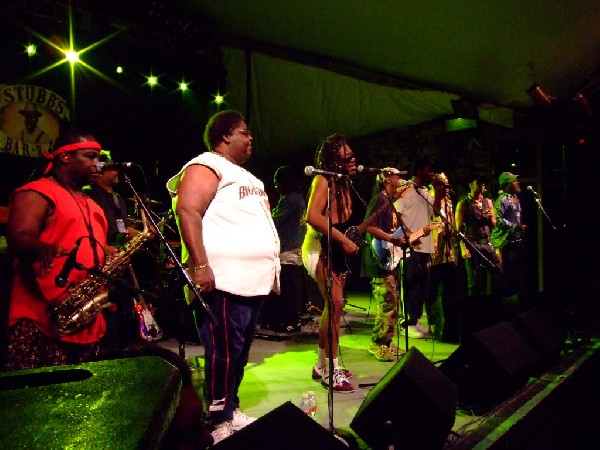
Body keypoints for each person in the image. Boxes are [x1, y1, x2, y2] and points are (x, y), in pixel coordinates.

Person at [166, 110, 280, 444]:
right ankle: (216, 419)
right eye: (245, 132)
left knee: (240, 352)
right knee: (223, 351)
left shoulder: (245, 176)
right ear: (225, 135)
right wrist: (200, 265)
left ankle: (230, 407)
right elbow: (187, 210)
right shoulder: (205, 164)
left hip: (252, 281)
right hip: (225, 281)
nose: (250, 139)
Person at [5, 129, 107, 371]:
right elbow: (18, 238)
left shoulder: (93, 205)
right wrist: (42, 248)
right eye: (90, 156)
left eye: (98, 157)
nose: (98, 164)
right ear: (65, 157)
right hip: (40, 320)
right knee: (33, 401)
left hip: (85, 320)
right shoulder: (36, 192)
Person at [302, 133, 357, 393]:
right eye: (347, 155)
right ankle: (332, 371)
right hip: (317, 246)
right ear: (335, 159)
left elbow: (343, 217)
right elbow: (312, 216)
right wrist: (343, 241)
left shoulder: (344, 183)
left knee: (332, 308)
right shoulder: (323, 179)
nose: (353, 158)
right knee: (334, 304)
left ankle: (321, 364)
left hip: (334, 247)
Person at [84, 150, 140, 353]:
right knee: (105, 314)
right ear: (98, 173)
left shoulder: (119, 200)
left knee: (119, 311)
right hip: (98, 262)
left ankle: (120, 349)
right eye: (111, 168)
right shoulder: (88, 195)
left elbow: (121, 228)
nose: (116, 171)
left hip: (117, 262)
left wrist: (141, 234)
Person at [361, 168, 407, 361]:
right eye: (398, 176)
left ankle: (387, 341)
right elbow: (368, 226)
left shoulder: (391, 203)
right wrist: (391, 238)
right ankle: (377, 343)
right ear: (388, 179)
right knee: (387, 302)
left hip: (390, 258)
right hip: (380, 258)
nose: (401, 179)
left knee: (393, 303)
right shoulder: (379, 200)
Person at [394, 158, 440, 338]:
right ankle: (406, 322)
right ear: (419, 170)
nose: (431, 174)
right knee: (410, 283)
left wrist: (439, 193)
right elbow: (396, 213)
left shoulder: (426, 191)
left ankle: (416, 319)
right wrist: (408, 234)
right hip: (410, 244)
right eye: (429, 170)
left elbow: (435, 213)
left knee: (422, 285)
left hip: (426, 246)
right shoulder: (406, 190)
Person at [261, 166, 306, 333]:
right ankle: (292, 320)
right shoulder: (300, 199)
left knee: (283, 288)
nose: (276, 186)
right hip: (297, 249)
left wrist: (263, 214)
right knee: (292, 288)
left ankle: (282, 321)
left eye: (277, 182)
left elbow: (273, 221)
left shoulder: (289, 200)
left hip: (285, 250)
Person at [455, 174, 503, 296]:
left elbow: (494, 224)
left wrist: (490, 217)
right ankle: (475, 308)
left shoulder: (488, 202)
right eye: (479, 182)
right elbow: (458, 229)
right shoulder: (463, 204)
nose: (482, 185)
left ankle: (499, 303)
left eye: (483, 183)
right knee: (474, 280)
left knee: (498, 272)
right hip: (472, 243)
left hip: (486, 242)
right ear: (471, 185)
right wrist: (463, 247)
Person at [428, 172, 459, 341]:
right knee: (432, 285)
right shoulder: (431, 199)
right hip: (435, 249)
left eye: (447, 185)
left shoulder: (449, 202)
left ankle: (448, 320)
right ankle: (433, 320)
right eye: (442, 184)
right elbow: (431, 216)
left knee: (450, 285)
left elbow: (451, 221)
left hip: (448, 249)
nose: (446, 188)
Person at [491, 172, 527, 297]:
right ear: (507, 184)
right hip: (507, 242)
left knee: (519, 273)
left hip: (517, 240)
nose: (517, 183)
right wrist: (514, 226)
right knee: (508, 272)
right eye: (514, 181)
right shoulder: (502, 199)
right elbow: (497, 219)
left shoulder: (516, 198)